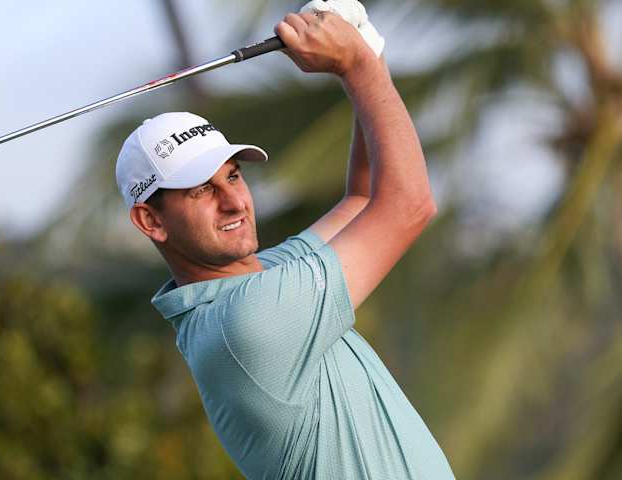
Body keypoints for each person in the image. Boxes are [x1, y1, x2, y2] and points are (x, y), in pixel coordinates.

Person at [114, 10, 455, 480]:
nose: (235, 201)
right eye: (201, 190)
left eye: (234, 176)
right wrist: (359, 67)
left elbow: (362, 200)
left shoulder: (260, 278)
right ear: (151, 220)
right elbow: (409, 206)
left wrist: (367, 54)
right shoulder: (247, 322)